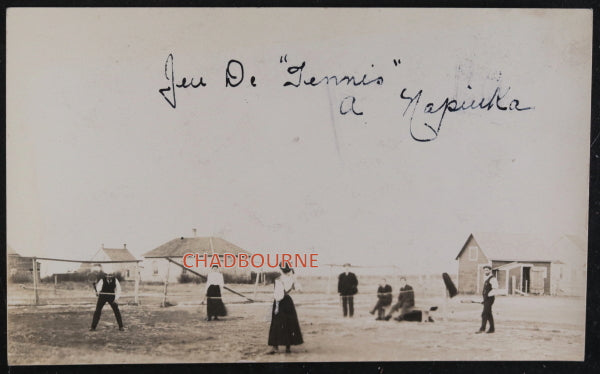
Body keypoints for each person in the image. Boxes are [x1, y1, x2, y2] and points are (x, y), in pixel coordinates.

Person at [268, 263, 303, 354]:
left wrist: (277, 307)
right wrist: (294, 278)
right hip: (288, 302)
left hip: (281, 303)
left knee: (276, 324)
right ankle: (288, 347)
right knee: (289, 323)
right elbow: (299, 289)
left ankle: (275, 347)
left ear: (281, 269)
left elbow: (278, 296)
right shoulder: (292, 279)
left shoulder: (279, 280)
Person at [476, 265, 498, 334]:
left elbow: (495, 288)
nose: (486, 271)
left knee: (484, 314)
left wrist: (488, 296)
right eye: (485, 270)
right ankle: (492, 329)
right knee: (488, 314)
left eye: (487, 270)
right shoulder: (486, 278)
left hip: (490, 299)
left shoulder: (492, 279)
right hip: (486, 299)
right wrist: (484, 299)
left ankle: (482, 329)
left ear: (490, 270)